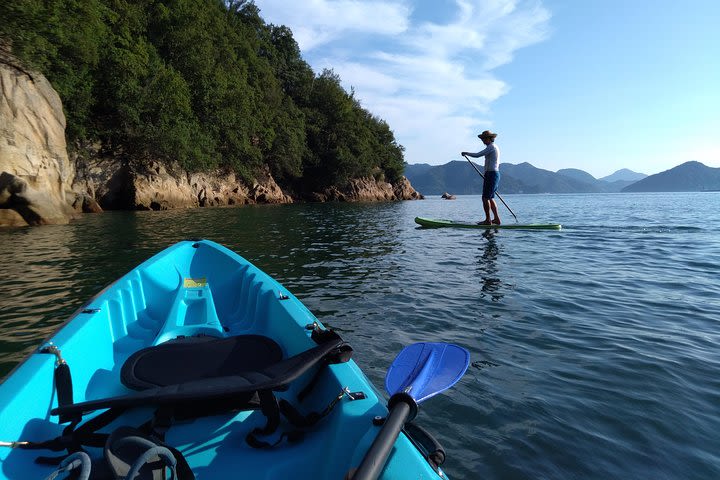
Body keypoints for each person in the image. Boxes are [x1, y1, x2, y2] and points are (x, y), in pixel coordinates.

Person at [462, 130, 501, 225]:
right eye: (482, 139)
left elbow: (478, 155)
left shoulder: (491, 147)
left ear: (490, 138)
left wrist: (466, 153)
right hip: (490, 174)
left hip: (492, 174)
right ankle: (496, 219)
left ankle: (488, 220)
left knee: (485, 198)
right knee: (490, 198)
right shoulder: (492, 147)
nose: (483, 140)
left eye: (484, 138)